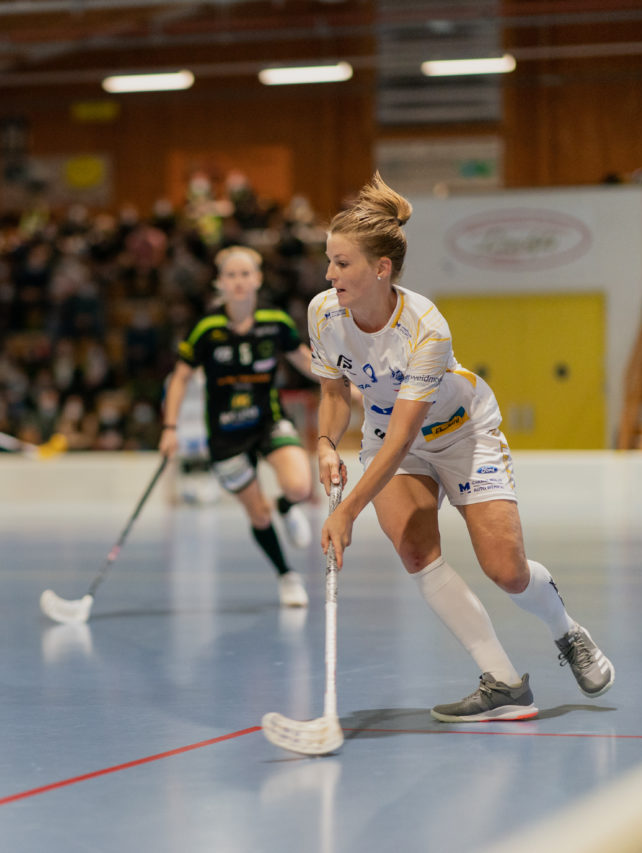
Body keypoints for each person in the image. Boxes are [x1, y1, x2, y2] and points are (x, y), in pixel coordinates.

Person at [309, 173, 614, 722]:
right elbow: (334, 391)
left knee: (507, 571)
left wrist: (347, 511)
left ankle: (567, 632)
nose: (330, 275)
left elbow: (405, 437)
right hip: (387, 430)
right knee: (416, 552)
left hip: (460, 432)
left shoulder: (426, 328)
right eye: (329, 261)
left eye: (342, 263)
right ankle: (503, 683)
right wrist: (327, 443)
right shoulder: (324, 314)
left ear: (381, 269)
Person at [159, 245, 318, 607]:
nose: (239, 281)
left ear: (258, 279)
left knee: (298, 486)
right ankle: (286, 575)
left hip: (268, 421)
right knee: (256, 511)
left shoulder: (275, 323)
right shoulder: (207, 330)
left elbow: (304, 360)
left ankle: (287, 508)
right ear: (220, 283)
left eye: (245, 274)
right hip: (226, 436)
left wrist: (347, 387)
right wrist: (170, 428)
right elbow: (180, 379)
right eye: (231, 275)